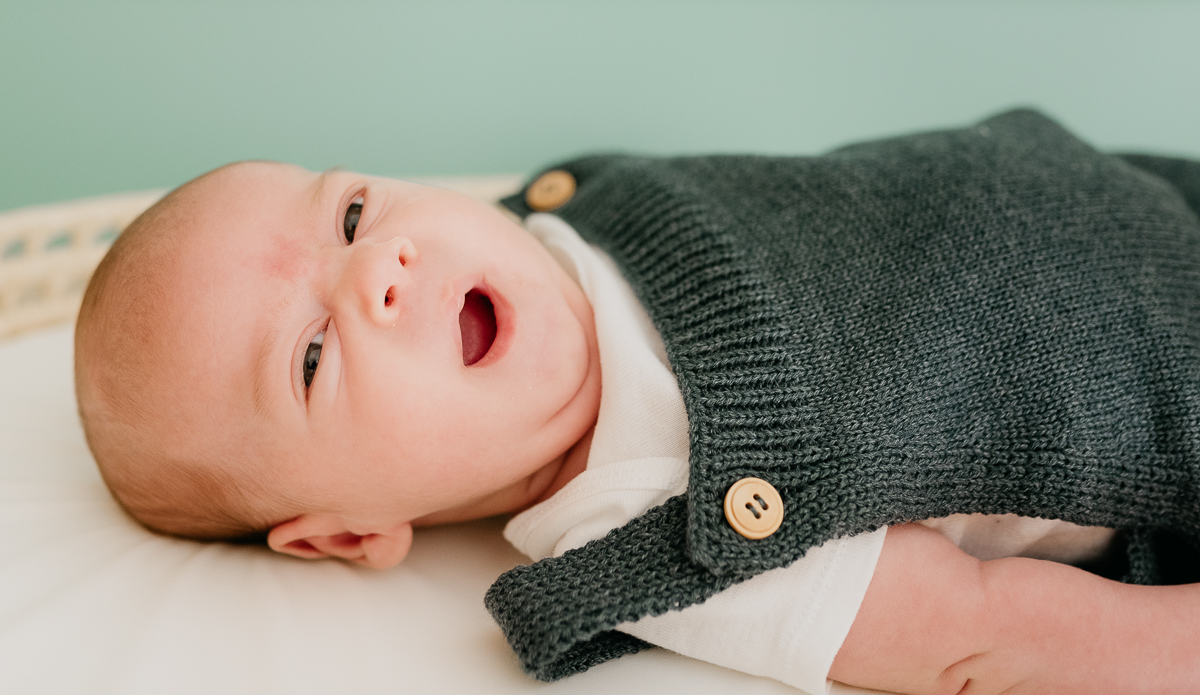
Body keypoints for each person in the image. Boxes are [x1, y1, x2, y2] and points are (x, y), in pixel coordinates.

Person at [74, 109, 1200, 695]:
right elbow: (986, 642)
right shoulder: (671, 536)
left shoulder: (579, 202)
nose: (380, 272)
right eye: (312, 356)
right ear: (349, 530)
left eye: (353, 215)